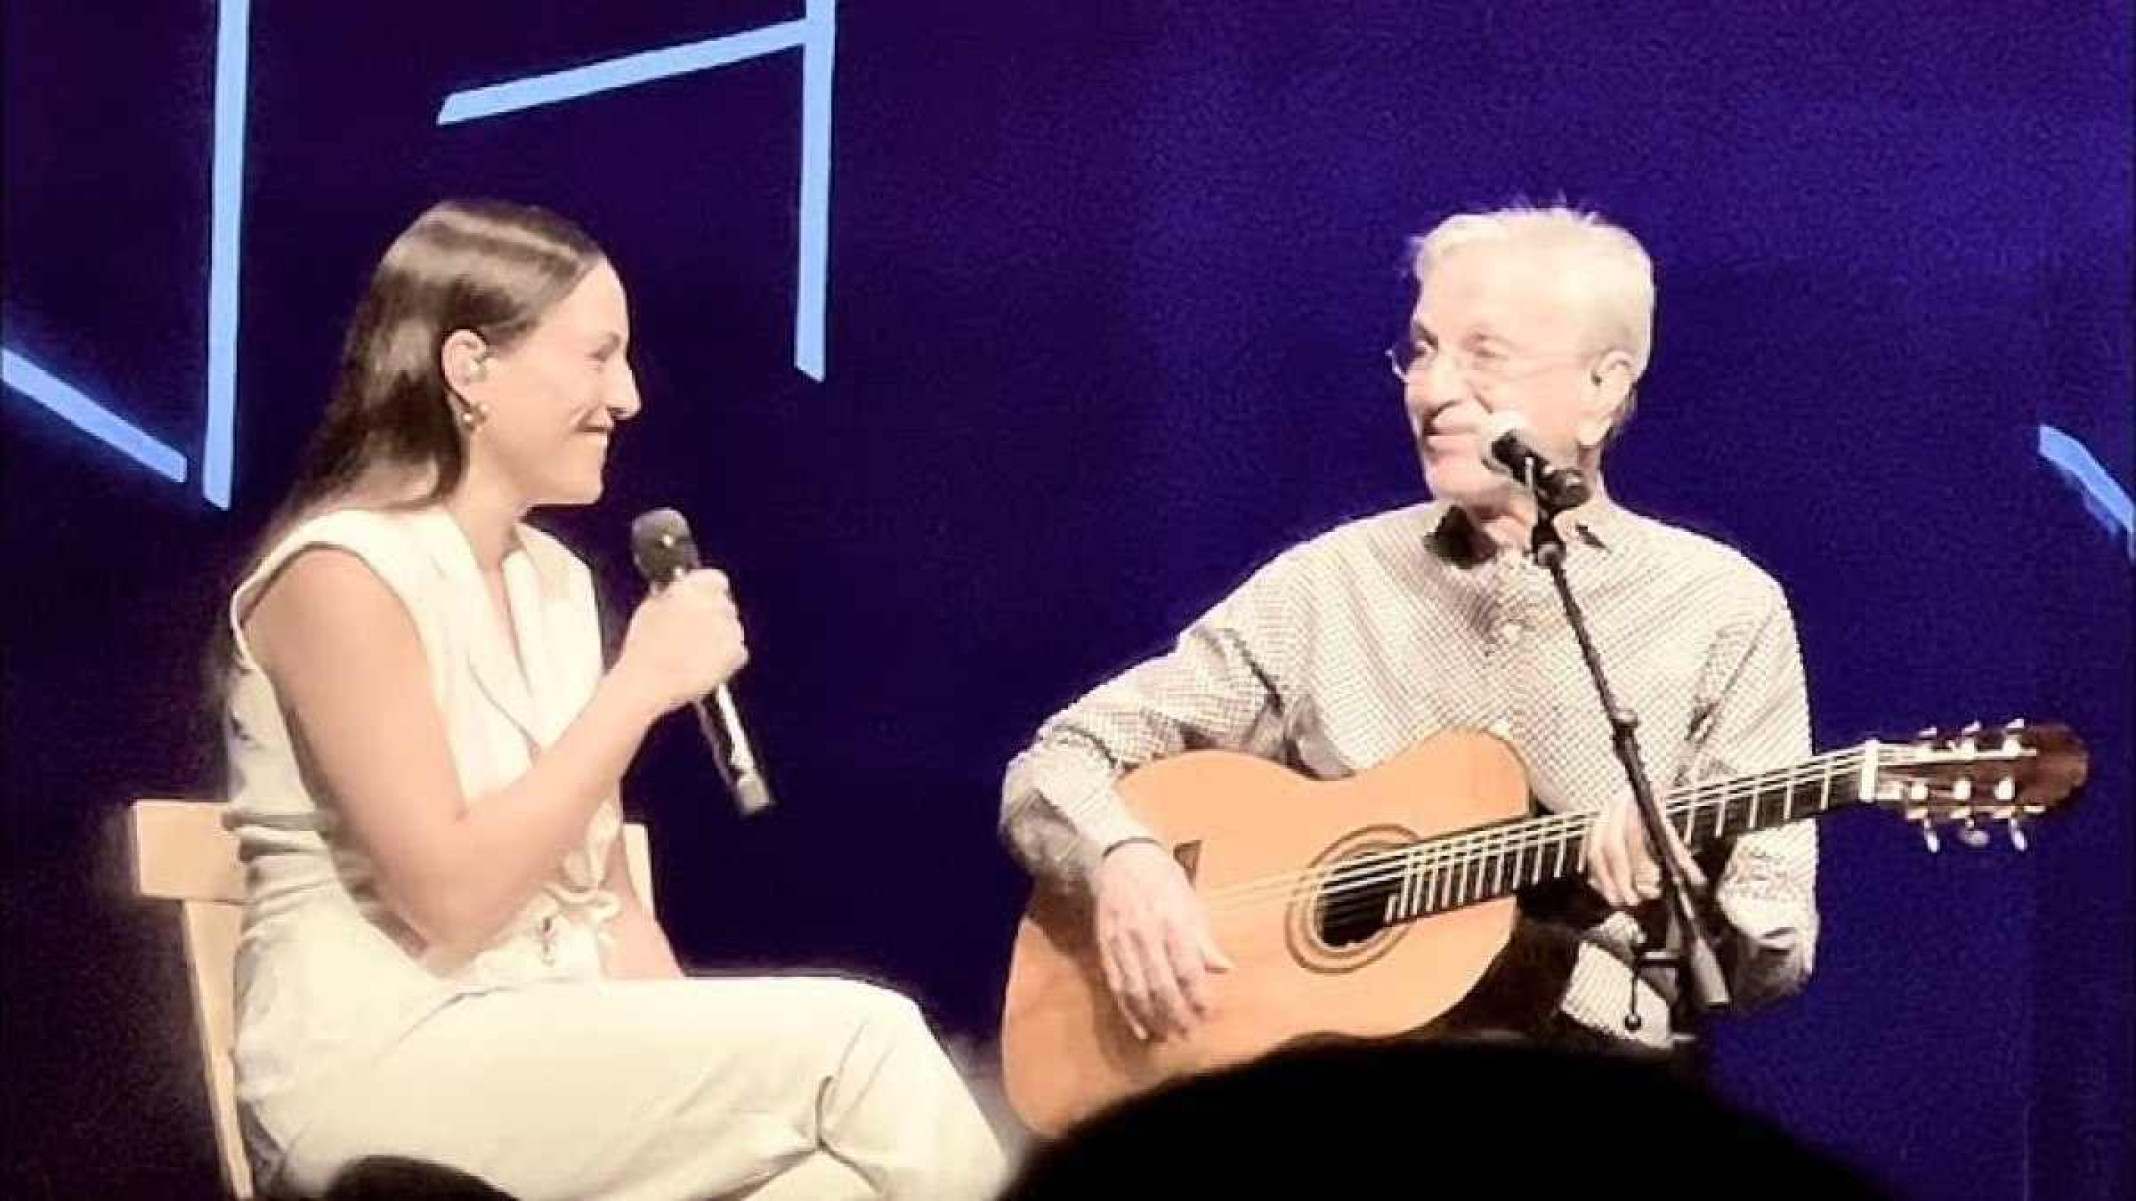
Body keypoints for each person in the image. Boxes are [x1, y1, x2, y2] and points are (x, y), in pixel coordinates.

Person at [220, 199, 1004, 1200]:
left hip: (549, 1046)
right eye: (597, 357)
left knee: (827, 1179)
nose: (626, 396)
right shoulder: (341, 575)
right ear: (470, 370)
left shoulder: (553, 582)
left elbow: (607, 901)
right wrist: (638, 689)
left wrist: (697, 1062)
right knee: (866, 1040)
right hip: (384, 1064)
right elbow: (449, 900)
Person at [1001, 204, 1818, 1056]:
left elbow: (1772, 953)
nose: (1431, 390)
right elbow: (1061, 758)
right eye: (1421, 351)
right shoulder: (1330, 583)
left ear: (1601, 389)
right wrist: (1125, 860)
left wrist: (1662, 896)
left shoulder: (1723, 606)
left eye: (1482, 355)